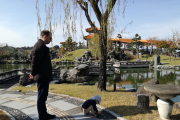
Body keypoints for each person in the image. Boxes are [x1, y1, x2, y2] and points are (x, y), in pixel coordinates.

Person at [29, 30, 56, 120]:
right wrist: (32, 73)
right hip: (42, 76)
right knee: (41, 97)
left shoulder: (41, 46)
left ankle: (44, 114)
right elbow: (34, 62)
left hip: (44, 76)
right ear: (45, 37)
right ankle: (42, 116)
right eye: (50, 38)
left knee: (43, 96)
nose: (51, 40)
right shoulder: (39, 47)